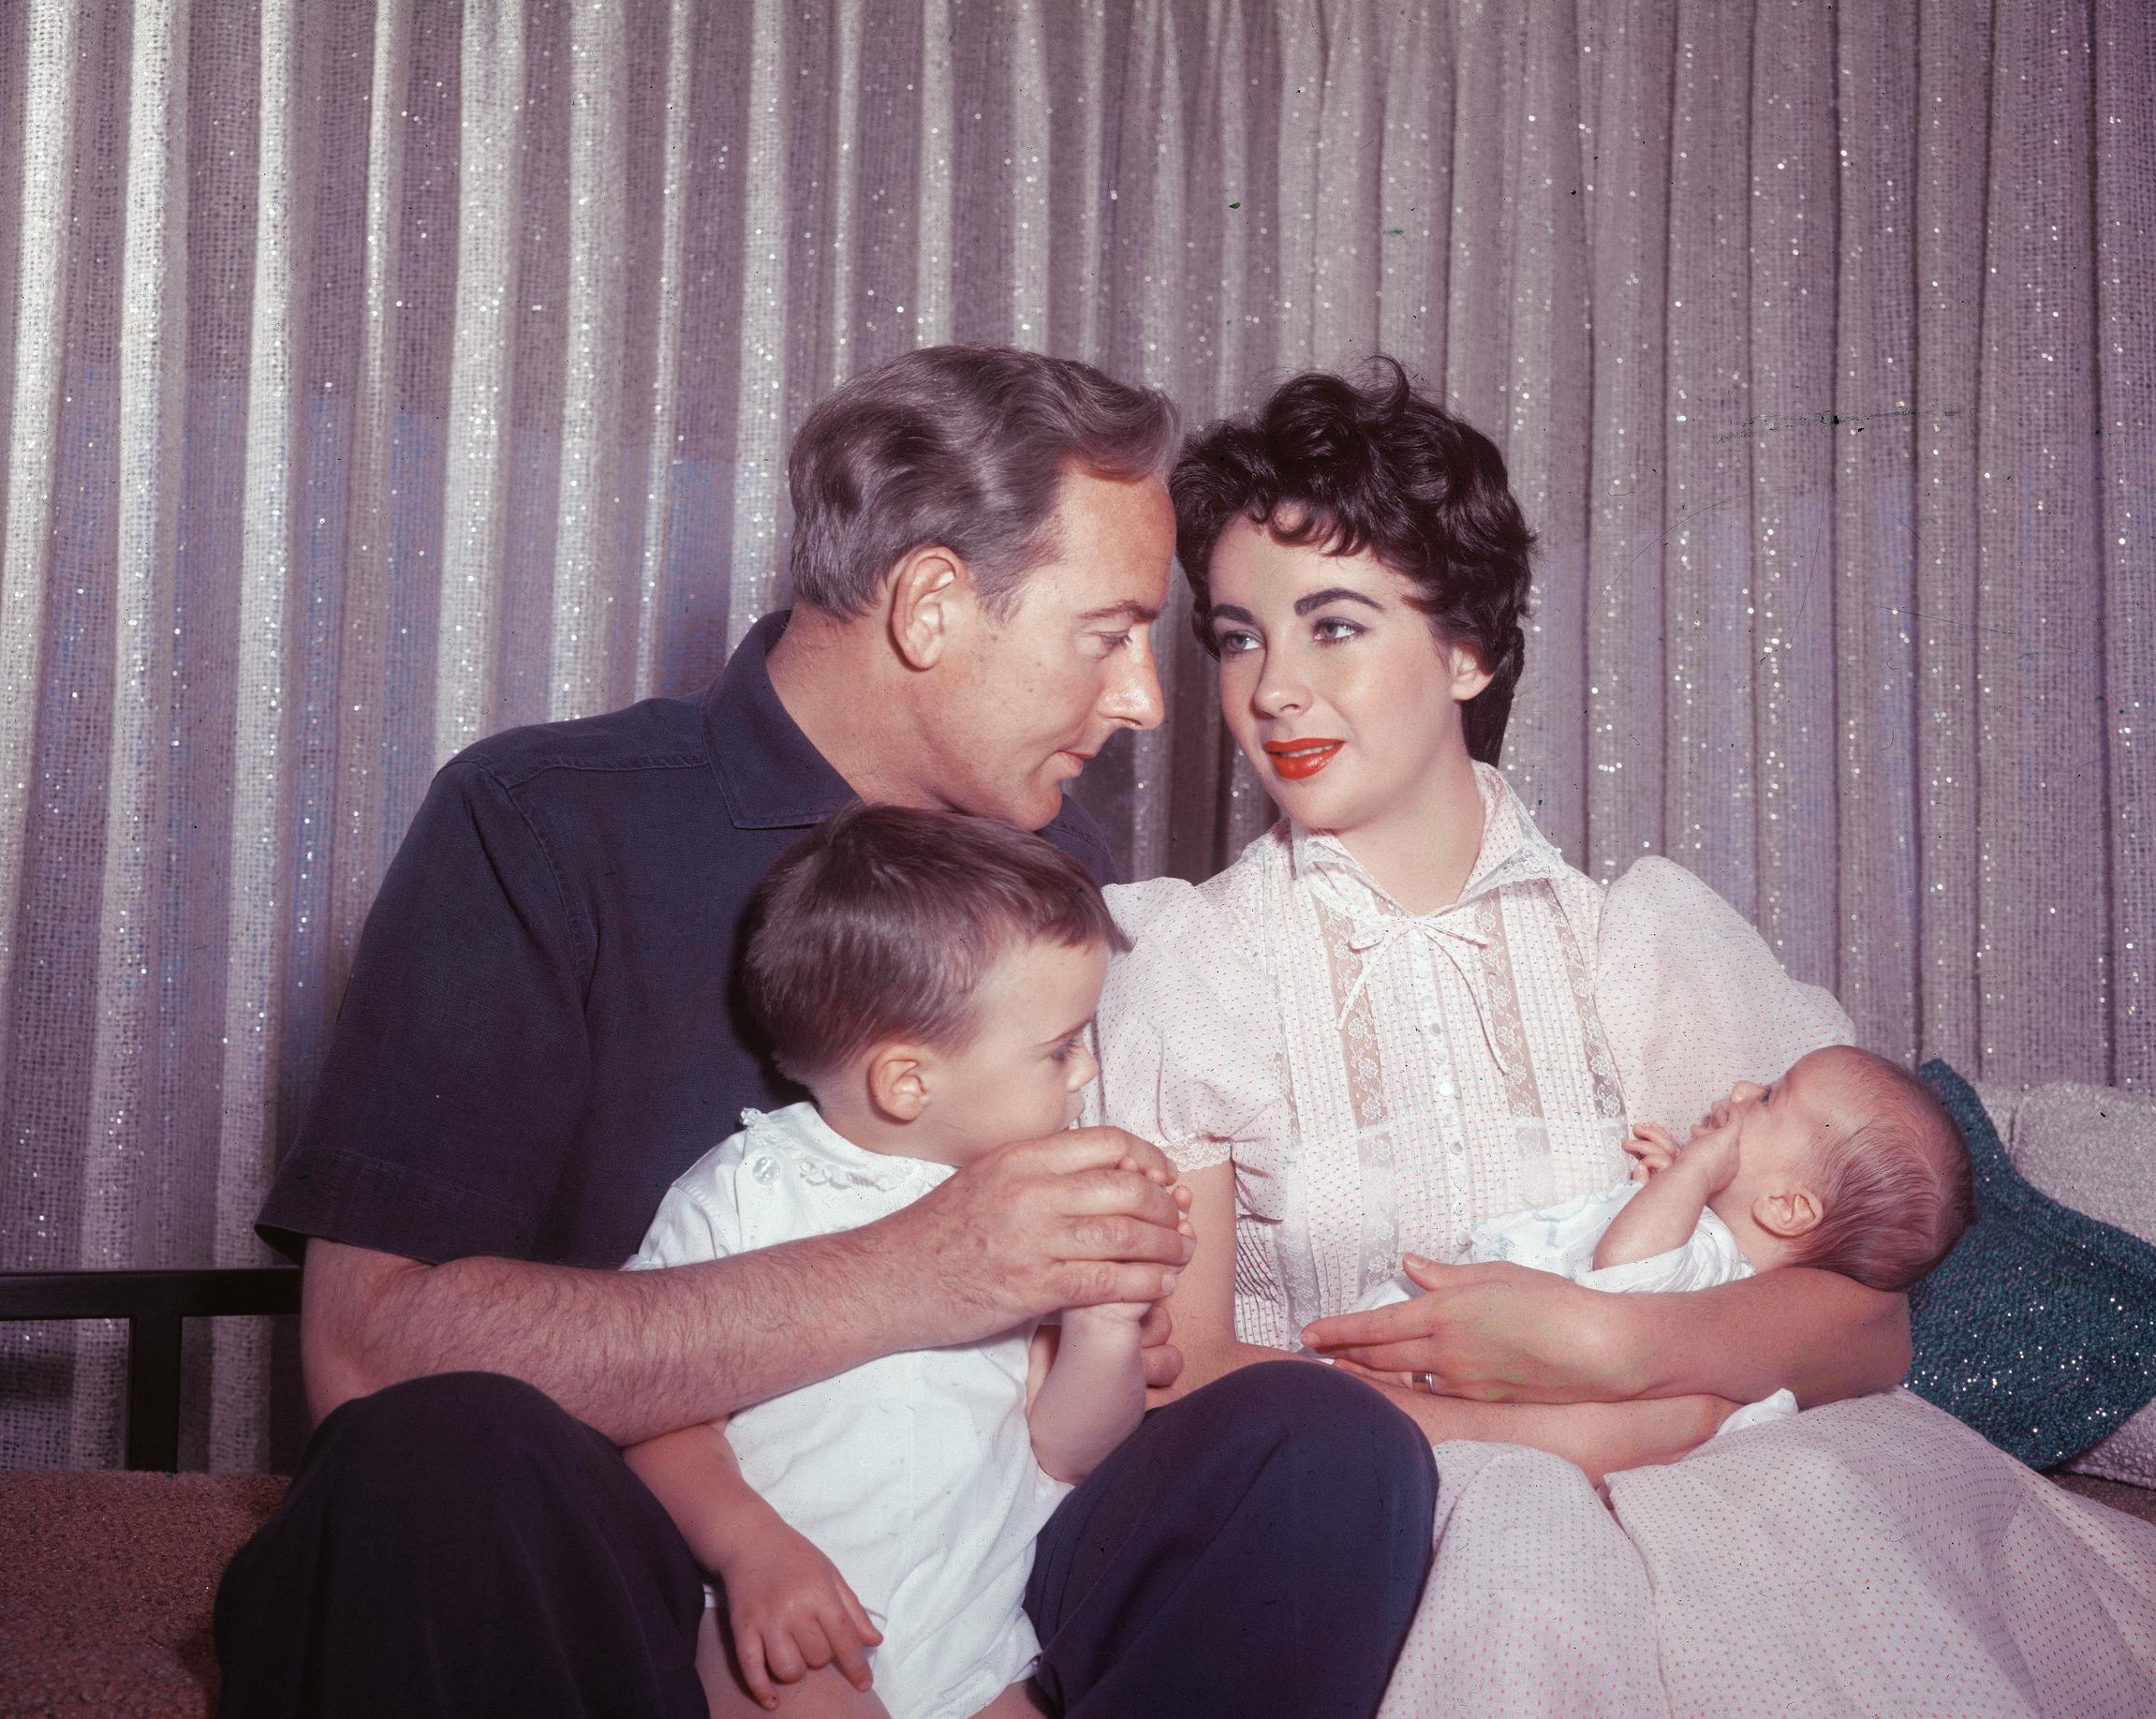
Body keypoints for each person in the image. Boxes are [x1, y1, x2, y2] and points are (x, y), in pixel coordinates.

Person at [215, 346, 1437, 1719]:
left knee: (1324, 1448)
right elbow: (370, 1356)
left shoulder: (1059, 870)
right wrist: (918, 1271)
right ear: (929, 604)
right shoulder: (543, 819)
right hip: (622, 1568)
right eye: (1106, 634)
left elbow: (1061, 1384)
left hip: (964, 1547)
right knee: (438, 1452)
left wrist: (1103, 1315)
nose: (1147, 702)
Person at [1098, 361, 2156, 1713]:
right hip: (1375, 1517)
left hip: (1700, 1476)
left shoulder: (1639, 943)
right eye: (1240, 635)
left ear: (1467, 648)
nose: (1274, 689)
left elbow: (1868, 1323)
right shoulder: (1192, 965)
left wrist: (1609, 1352)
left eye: (1336, 625)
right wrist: (1537, 1433)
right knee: (1529, 1561)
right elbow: (1179, 1376)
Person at [630, 804, 1180, 1718]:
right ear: (908, 1081)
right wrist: (747, 1544)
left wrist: (1106, 1320)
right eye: (1057, 1050)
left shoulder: (1029, 1207)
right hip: (797, 1631)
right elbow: (653, 1411)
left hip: (976, 1646)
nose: (1085, 1073)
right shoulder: (750, 1189)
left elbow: (1066, 1448)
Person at [1353, 1045, 1975, 1437]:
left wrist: (1694, 1170)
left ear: (1787, 1208)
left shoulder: (1716, 1258)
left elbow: (1626, 1272)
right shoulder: (1712, 1247)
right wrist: (1674, 1180)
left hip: (1467, 1345)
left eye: (1767, 1098)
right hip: (1469, 1333)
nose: (1739, 1090)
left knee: (1354, 1361)